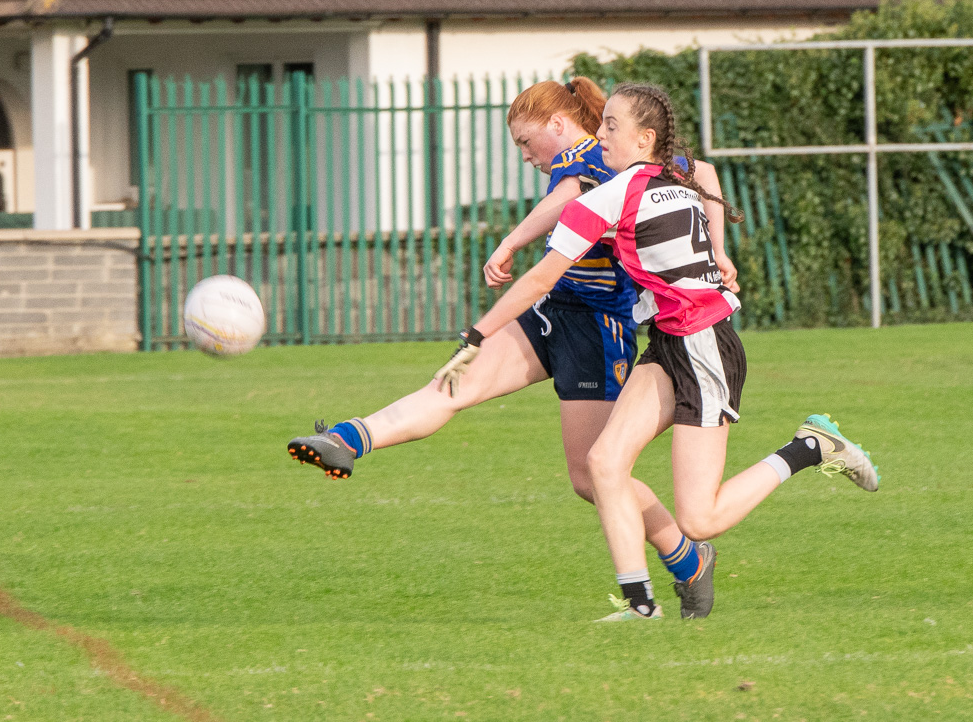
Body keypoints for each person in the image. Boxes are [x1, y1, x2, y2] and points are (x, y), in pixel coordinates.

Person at [433, 82, 880, 622]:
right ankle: (640, 605)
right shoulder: (672, 174)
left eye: (612, 127)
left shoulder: (610, 196)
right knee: (602, 462)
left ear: (645, 139)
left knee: (701, 520)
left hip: (706, 348)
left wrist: (476, 336)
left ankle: (809, 448)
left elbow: (538, 281)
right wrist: (717, 249)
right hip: (668, 344)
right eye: (601, 126)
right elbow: (705, 175)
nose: (600, 135)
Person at [289, 78, 732, 619]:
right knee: (453, 386)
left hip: (598, 329)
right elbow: (696, 173)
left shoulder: (600, 156)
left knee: (592, 477)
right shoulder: (596, 157)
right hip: (551, 312)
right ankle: (348, 439)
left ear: (558, 126)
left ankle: (687, 560)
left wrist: (511, 241)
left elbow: (585, 195)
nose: (525, 156)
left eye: (527, 143)